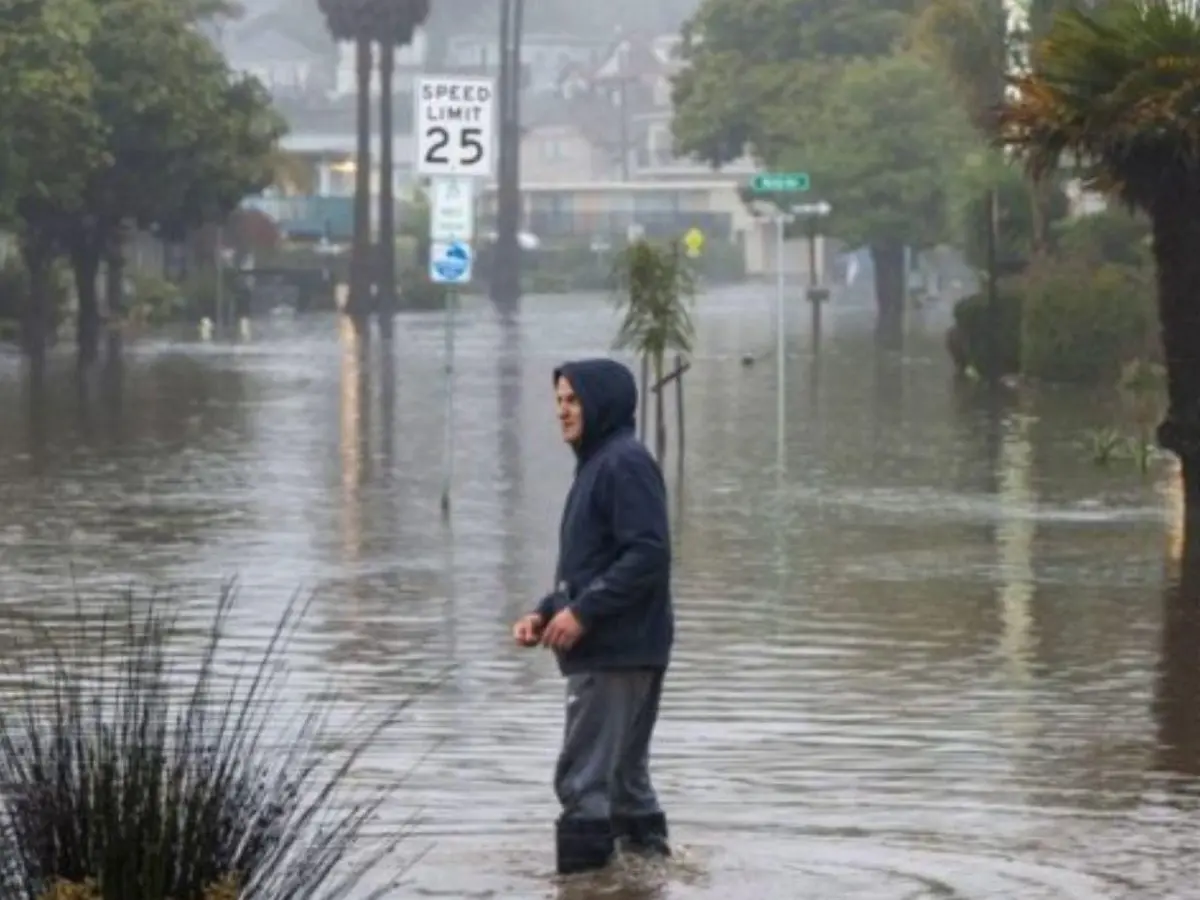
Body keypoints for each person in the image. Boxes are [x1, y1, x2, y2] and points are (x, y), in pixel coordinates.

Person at [511, 358, 674, 876]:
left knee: (583, 782)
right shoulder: (600, 464)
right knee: (625, 783)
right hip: (626, 646)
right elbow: (596, 563)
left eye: (573, 400)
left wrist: (582, 613)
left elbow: (648, 553)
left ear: (601, 403)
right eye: (559, 401)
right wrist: (547, 611)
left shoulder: (620, 463)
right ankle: (645, 880)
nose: (562, 411)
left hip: (612, 652)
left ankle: (585, 887)